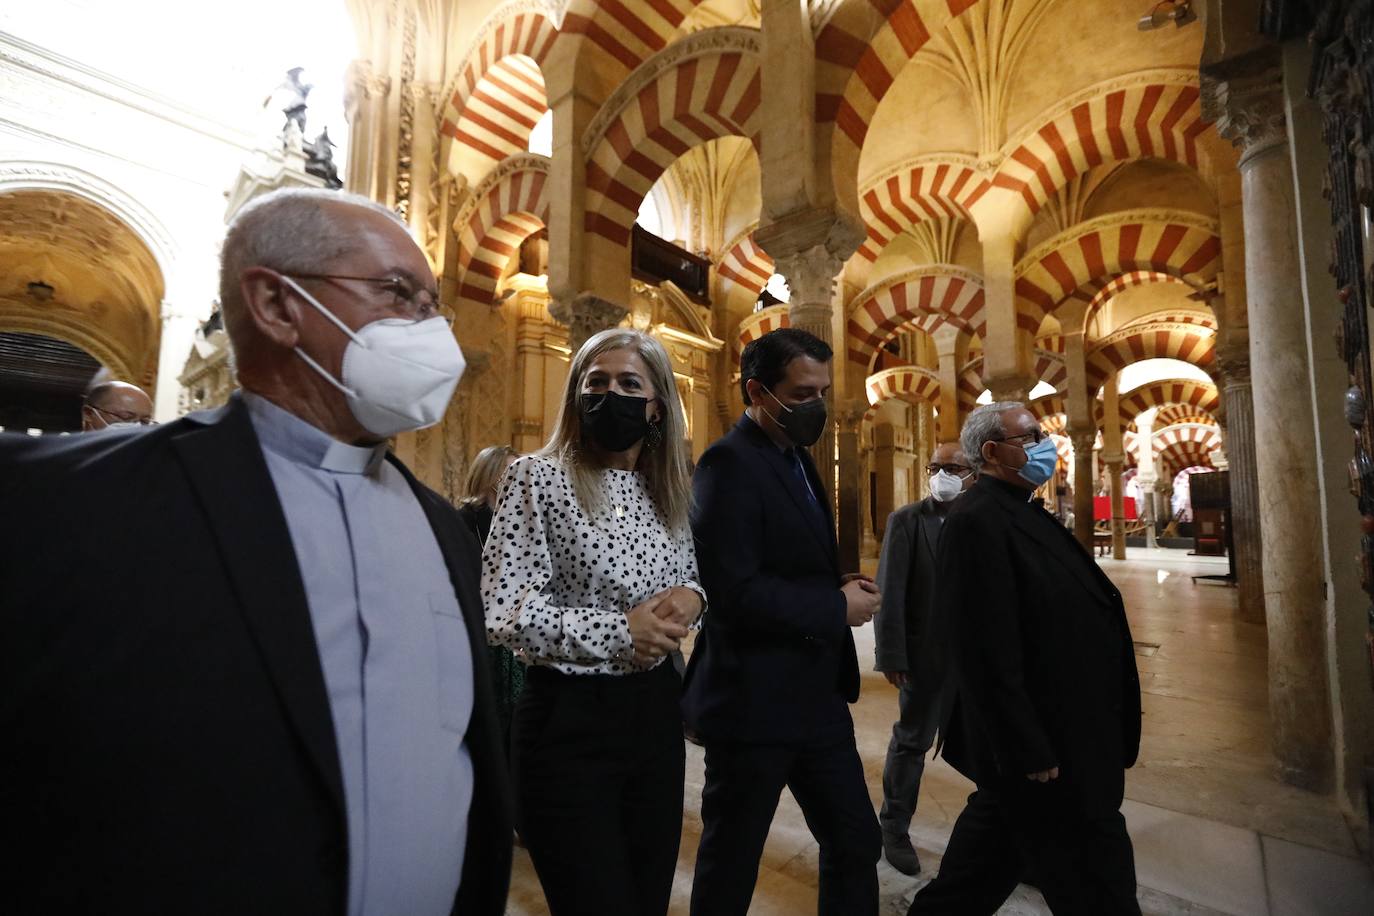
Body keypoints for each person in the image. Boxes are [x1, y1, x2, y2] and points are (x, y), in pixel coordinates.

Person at [0, 187, 512, 915]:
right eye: (399, 293)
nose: (433, 333)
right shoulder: (78, 507)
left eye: (434, 305)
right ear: (276, 306)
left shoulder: (443, 530)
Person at [482, 328, 704, 916]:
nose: (611, 394)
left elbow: (688, 574)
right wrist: (617, 632)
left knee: (648, 896)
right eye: (595, 382)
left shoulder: (667, 489)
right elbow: (504, 612)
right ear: (576, 397)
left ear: (658, 405)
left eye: (630, 384)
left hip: (655, 715)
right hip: (568, 724)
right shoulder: (538, 477)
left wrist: (694, 598)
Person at [908, 402, 1142, 916]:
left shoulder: (1018, 508)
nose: (1044, 444)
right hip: (1045, 749)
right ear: (992, 452)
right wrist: (1026, 747)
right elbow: (983, 650)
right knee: (1096, 883)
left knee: (982, 871)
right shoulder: (977, 521)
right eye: (1030, 436)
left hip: (1064, 737)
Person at [683, 327, 883, 916]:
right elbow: (734, 592)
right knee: (732, 861)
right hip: (754, 704)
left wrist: (836, 586)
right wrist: (834, 609)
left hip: (816, 699)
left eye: (822, 390)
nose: (816, 406)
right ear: (757, 391)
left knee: (855, 841)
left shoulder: (791, 456)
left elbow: (785, 563)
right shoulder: (728, 463)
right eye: (801, 393)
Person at [873, 442, 974, 876]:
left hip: (976, 661)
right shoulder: (907, 521)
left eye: (952, 467)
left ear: (972, 473)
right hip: (925, 658)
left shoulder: (981, 522)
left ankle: (1005, 837)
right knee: (912, 742)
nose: (941, 475)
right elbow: (890, 591)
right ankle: (894, 827)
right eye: (935, 467)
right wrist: (893, 654)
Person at [456, 445, 524, 749]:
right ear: (488, 474)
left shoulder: (525, 522)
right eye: (508, 471)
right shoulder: (463, 520)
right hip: (476, 633)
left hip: (518, 636)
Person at [81, 378, 155, 429]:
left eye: (145, 422)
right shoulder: (70, 449)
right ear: (88, 414)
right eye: (126, 417)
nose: (137, 426)